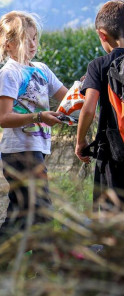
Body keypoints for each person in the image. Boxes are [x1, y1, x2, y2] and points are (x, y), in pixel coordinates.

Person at [0, 11, 68, 269]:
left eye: (35, 39)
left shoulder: (41, 70)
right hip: (19, 151)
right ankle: (45, 272)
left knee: (21, 212)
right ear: (8, 44)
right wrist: (39, 117)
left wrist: (89, 97)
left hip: (37, 149)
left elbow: (68, 99)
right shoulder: (9, 74)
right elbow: (4, 118)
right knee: (41, 209)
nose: (33, 45)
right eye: (26, 39)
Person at [76, 0, 124, 208]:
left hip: (112, 152)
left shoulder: (98, 65)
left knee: (111, 220)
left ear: (102, 35)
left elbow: (88, 109)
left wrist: (81, 142)